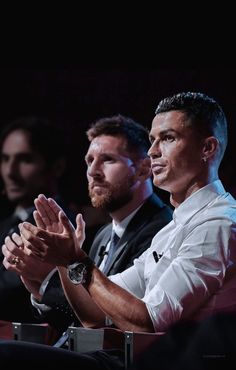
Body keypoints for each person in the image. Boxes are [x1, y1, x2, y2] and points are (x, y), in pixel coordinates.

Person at [1, 92, 236, 370]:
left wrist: (76, 260)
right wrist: (64, 261)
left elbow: (147, 322)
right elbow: (93, 315)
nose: (153, 152)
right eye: (152, 139)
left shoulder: (217, 224)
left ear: (208, 148)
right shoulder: (173, 228)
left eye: (168, 138)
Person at [2, 114, 173, 333]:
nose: (93, 172)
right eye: (89, 161)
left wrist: (51, 278)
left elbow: (113, 320)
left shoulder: (161, 230)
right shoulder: (103, 235)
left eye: (108, 159)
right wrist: (40, 290)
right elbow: (80, 320)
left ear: (143, 169)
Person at [0, 116, 75, 322]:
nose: (10, 172)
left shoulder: (64, 228)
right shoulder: (5, 225)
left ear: (57, 167)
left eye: (25, 159)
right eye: (5, 159)